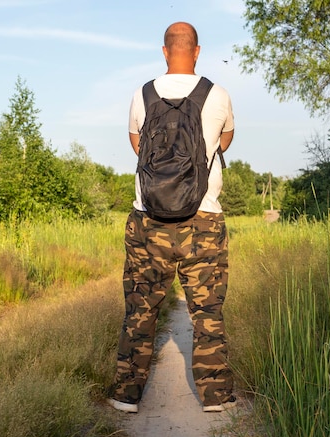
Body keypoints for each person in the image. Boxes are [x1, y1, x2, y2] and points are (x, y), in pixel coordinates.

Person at [107, 22, 236, 413]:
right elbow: (224, 141)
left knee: (141, 307)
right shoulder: (217, 94)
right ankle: (216, 397)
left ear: (164, 51)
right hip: (204, 220)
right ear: (197, 51)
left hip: (149, 220)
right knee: (207, 311)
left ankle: (126, 395)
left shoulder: (142, 94)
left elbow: (136, 144)